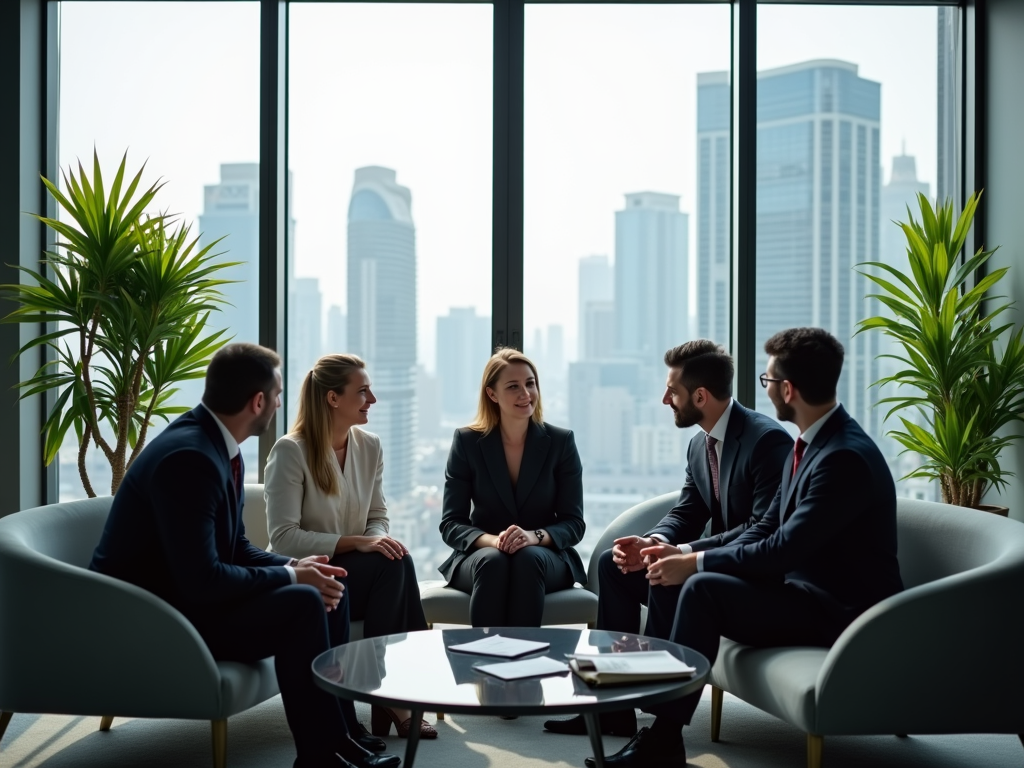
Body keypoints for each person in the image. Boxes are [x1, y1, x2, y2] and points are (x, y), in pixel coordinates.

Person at [585, 328, 904, 768]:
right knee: (646, 573)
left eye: (768, 380)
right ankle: (631, 712)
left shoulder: (840, 458)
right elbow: (762, 528)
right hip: (801, 593)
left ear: (787, 390)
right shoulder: (810, 446)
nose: (765, 389)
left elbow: (779, 548)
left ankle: (663, 738)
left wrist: (692, 562)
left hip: (840, 613)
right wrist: (670, 549)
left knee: (702, 589)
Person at [89, 343, 401, 768]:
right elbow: (202, 580)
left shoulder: (216, 446)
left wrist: (296, 566)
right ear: (258, 402)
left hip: (186, 600)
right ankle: (320, 755)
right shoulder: (191, 459)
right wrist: (293, 580)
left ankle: (337, 740)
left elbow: (236, 547)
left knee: (327, 583)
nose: (279, 402)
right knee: (304, 600)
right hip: (158, 620)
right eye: (275, 395)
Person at [545, 339, 792, 738]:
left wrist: (679, 552)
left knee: (666, 571)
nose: (665, 400)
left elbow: (760, 529)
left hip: (752, 575)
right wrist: (652, 540)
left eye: (672, 391)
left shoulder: (766, 441)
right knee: (612, 564)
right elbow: (688, 511)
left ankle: (657, 708)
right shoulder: (700, 443)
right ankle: (614, 705)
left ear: (700, 395)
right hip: (713, 562)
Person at [265, 354, 433, 740]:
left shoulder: (369, 445)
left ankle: (387, 694)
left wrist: (375, 538)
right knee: (391, 565)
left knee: (395, 558)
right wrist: (356, 541)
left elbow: (378, 514)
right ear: (332, 398)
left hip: (356, 572)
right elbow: (283, 537)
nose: (372, 399)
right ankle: (393, 696)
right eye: (362, 391)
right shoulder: (291, 451)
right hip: (310, 573)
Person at [439, 347, 586, 627]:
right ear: (492, 394)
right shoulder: (467, 442)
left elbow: (574, 524)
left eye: (530, 384)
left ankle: (525, 667)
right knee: (495, 560)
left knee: (526, 558)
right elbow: (451, 524)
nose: (525, 394)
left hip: (545, 556)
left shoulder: (560, 442)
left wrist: (533, 536)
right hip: (482, 555)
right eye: (513, 387)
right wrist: (494, 541)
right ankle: (480, 666)